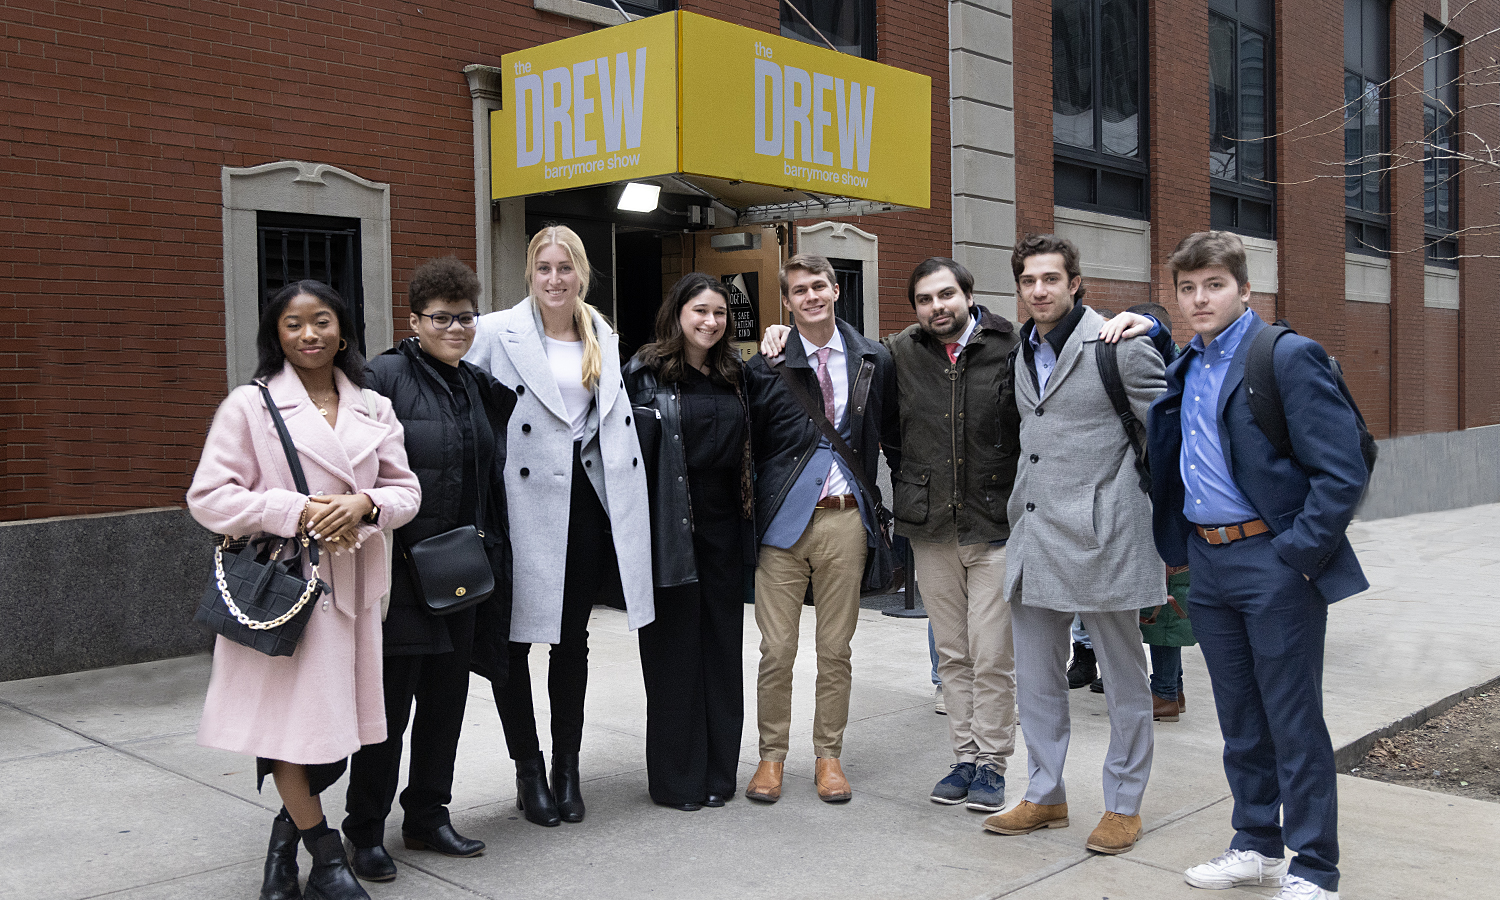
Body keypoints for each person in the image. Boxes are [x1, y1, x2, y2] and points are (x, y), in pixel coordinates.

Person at [1147, 231, 1368, 900]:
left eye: (1213, 285)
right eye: (1187, 289)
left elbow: (1344, 469)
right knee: (1239, 717)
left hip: (1272, 560)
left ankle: (1315, 866)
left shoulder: (1286, 357)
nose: (1199, 298)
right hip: (1207, 563)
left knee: (1292, 719)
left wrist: (1297, 555)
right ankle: (1255, 844)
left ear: (1244, 289)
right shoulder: (1188, 364)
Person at [189, 280, 421, 900]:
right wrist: (295, 511)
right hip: (289, 590)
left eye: (321, 321)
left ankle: (280, 853)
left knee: (334, 740)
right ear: (277, 335)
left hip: (357, 593)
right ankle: (326, 859)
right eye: (294, 325)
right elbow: (209, 497)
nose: (309, 334)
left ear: (342, 330)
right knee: (295, 735)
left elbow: (407, 491)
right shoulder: (250, 405)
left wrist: (365, 503)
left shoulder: (373, 407)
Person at [981, 234, 1165, 856]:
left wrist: (1151, 518)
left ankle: (1124, 803)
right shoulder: (1019, 350)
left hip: (1104, 536)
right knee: (1035, 680)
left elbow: (1166, 435)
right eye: (1029, 280)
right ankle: (1045, 793)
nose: (1040, 290)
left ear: (1075, 282)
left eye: (1051, 279)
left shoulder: (1120, 346)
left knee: (1122, 678)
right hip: (1034, 536)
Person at [465, 224, 653, 827]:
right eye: (544, 268)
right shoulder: (496, 331)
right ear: (530, 272)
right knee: (514, 643)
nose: (554, 279)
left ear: (582, 274)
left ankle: (567, 769)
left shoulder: (603, 334)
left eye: (565, 268)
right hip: (519, 509)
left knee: (572, 640)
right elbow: (461, 400)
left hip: (586, 505)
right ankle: (529, 769)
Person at [341, 258, 516, 881]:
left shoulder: (473, 382)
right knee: (388, 713)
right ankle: (363, 831)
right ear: (414, 321)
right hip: (400, 576)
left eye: (466, 317)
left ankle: (427, 816)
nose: (456, 328)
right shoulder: (380, 376)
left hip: (462, 570)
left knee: (447, 702)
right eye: (441, 318)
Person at [741, 253, 898, 805]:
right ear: (786, 301)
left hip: (845, 519)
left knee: (836, 649)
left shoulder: (873, 357)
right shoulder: (767, 363)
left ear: (836, 291)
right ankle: (771, 758)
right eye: (799, 290)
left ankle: (829, 756)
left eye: (819, 286)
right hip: (782, 526)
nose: (810, 296)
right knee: (776, 650)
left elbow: (891, 433)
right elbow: (751, 444)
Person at [884, 257, 1022, 813]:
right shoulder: (900, 353)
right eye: (924, 299)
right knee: (953, 655)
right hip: (931, 526)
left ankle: (993, 765)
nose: (937, 307)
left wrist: (1149, 325)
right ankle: (963, 758)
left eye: (946, 295)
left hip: (995, 525)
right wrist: (779, 329)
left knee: (992, 656)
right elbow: (838, 353)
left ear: (968, 294)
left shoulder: (1012, 346)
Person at [623, 273, 755, 812]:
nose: (710, 322)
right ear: (678, 313)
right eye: (700, 310)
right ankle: (679, 780)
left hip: (725, 531)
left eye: (720, 314)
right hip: (668, 532)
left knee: (723, 654)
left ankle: (720, 773)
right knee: (675, 657)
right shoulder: (644, 374)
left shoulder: (736, 374)